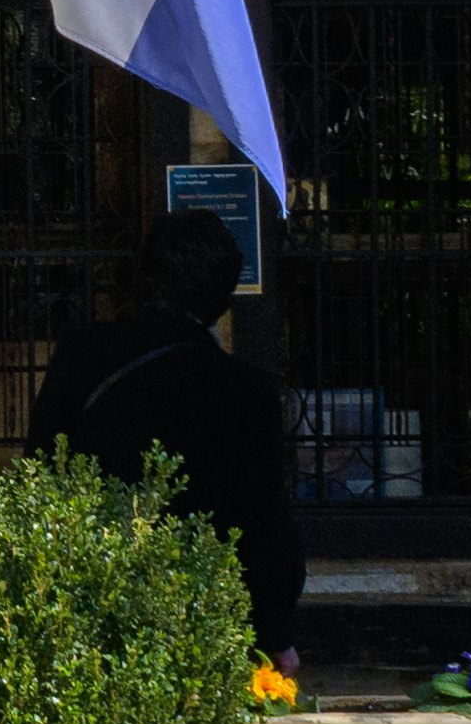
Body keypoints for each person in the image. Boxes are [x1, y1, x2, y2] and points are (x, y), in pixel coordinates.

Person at [26, 207, 304, 663]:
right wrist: (276, 633)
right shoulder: (246, 391)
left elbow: (41, 467)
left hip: (93, 599)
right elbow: (263, 521)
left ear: (146, 277)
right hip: (199, 613)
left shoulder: (82, 354)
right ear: (224, 297)